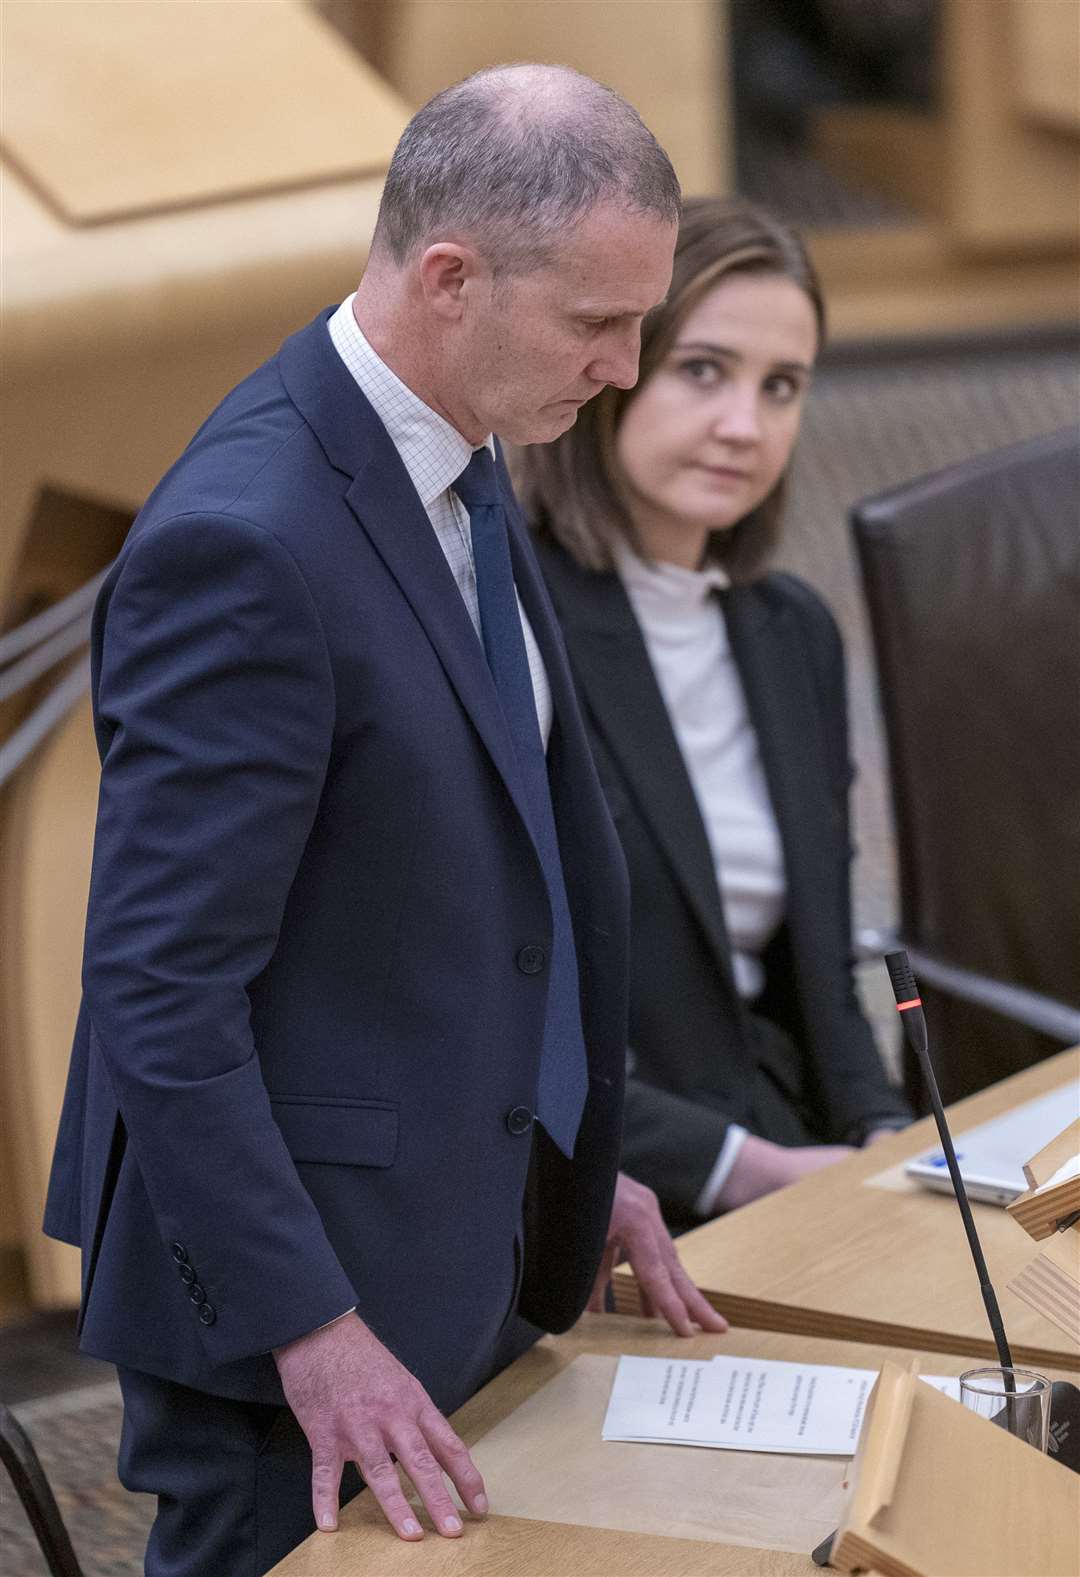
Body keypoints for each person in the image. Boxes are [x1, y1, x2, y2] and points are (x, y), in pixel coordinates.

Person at [42, 67, 727, 1577]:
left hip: (446, 1234)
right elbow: (161, 989)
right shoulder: (244, 542)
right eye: (597, 325)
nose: (625, 370)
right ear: (449, 277)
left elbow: (463, 860)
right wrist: (312, 1324)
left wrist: (555, 1149)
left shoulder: (468, 451)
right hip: (300, 1325)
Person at [519, 196, 912, 1234]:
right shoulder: (510, 626)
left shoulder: (792, 633)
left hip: (783, 1141)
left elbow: (822, 970)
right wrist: (740, 1167)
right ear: (615, 365)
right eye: (704, 370)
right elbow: (502, 1012)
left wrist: (882, 1132)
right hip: (599, 1183)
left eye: (781, 386)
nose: (746, 424)